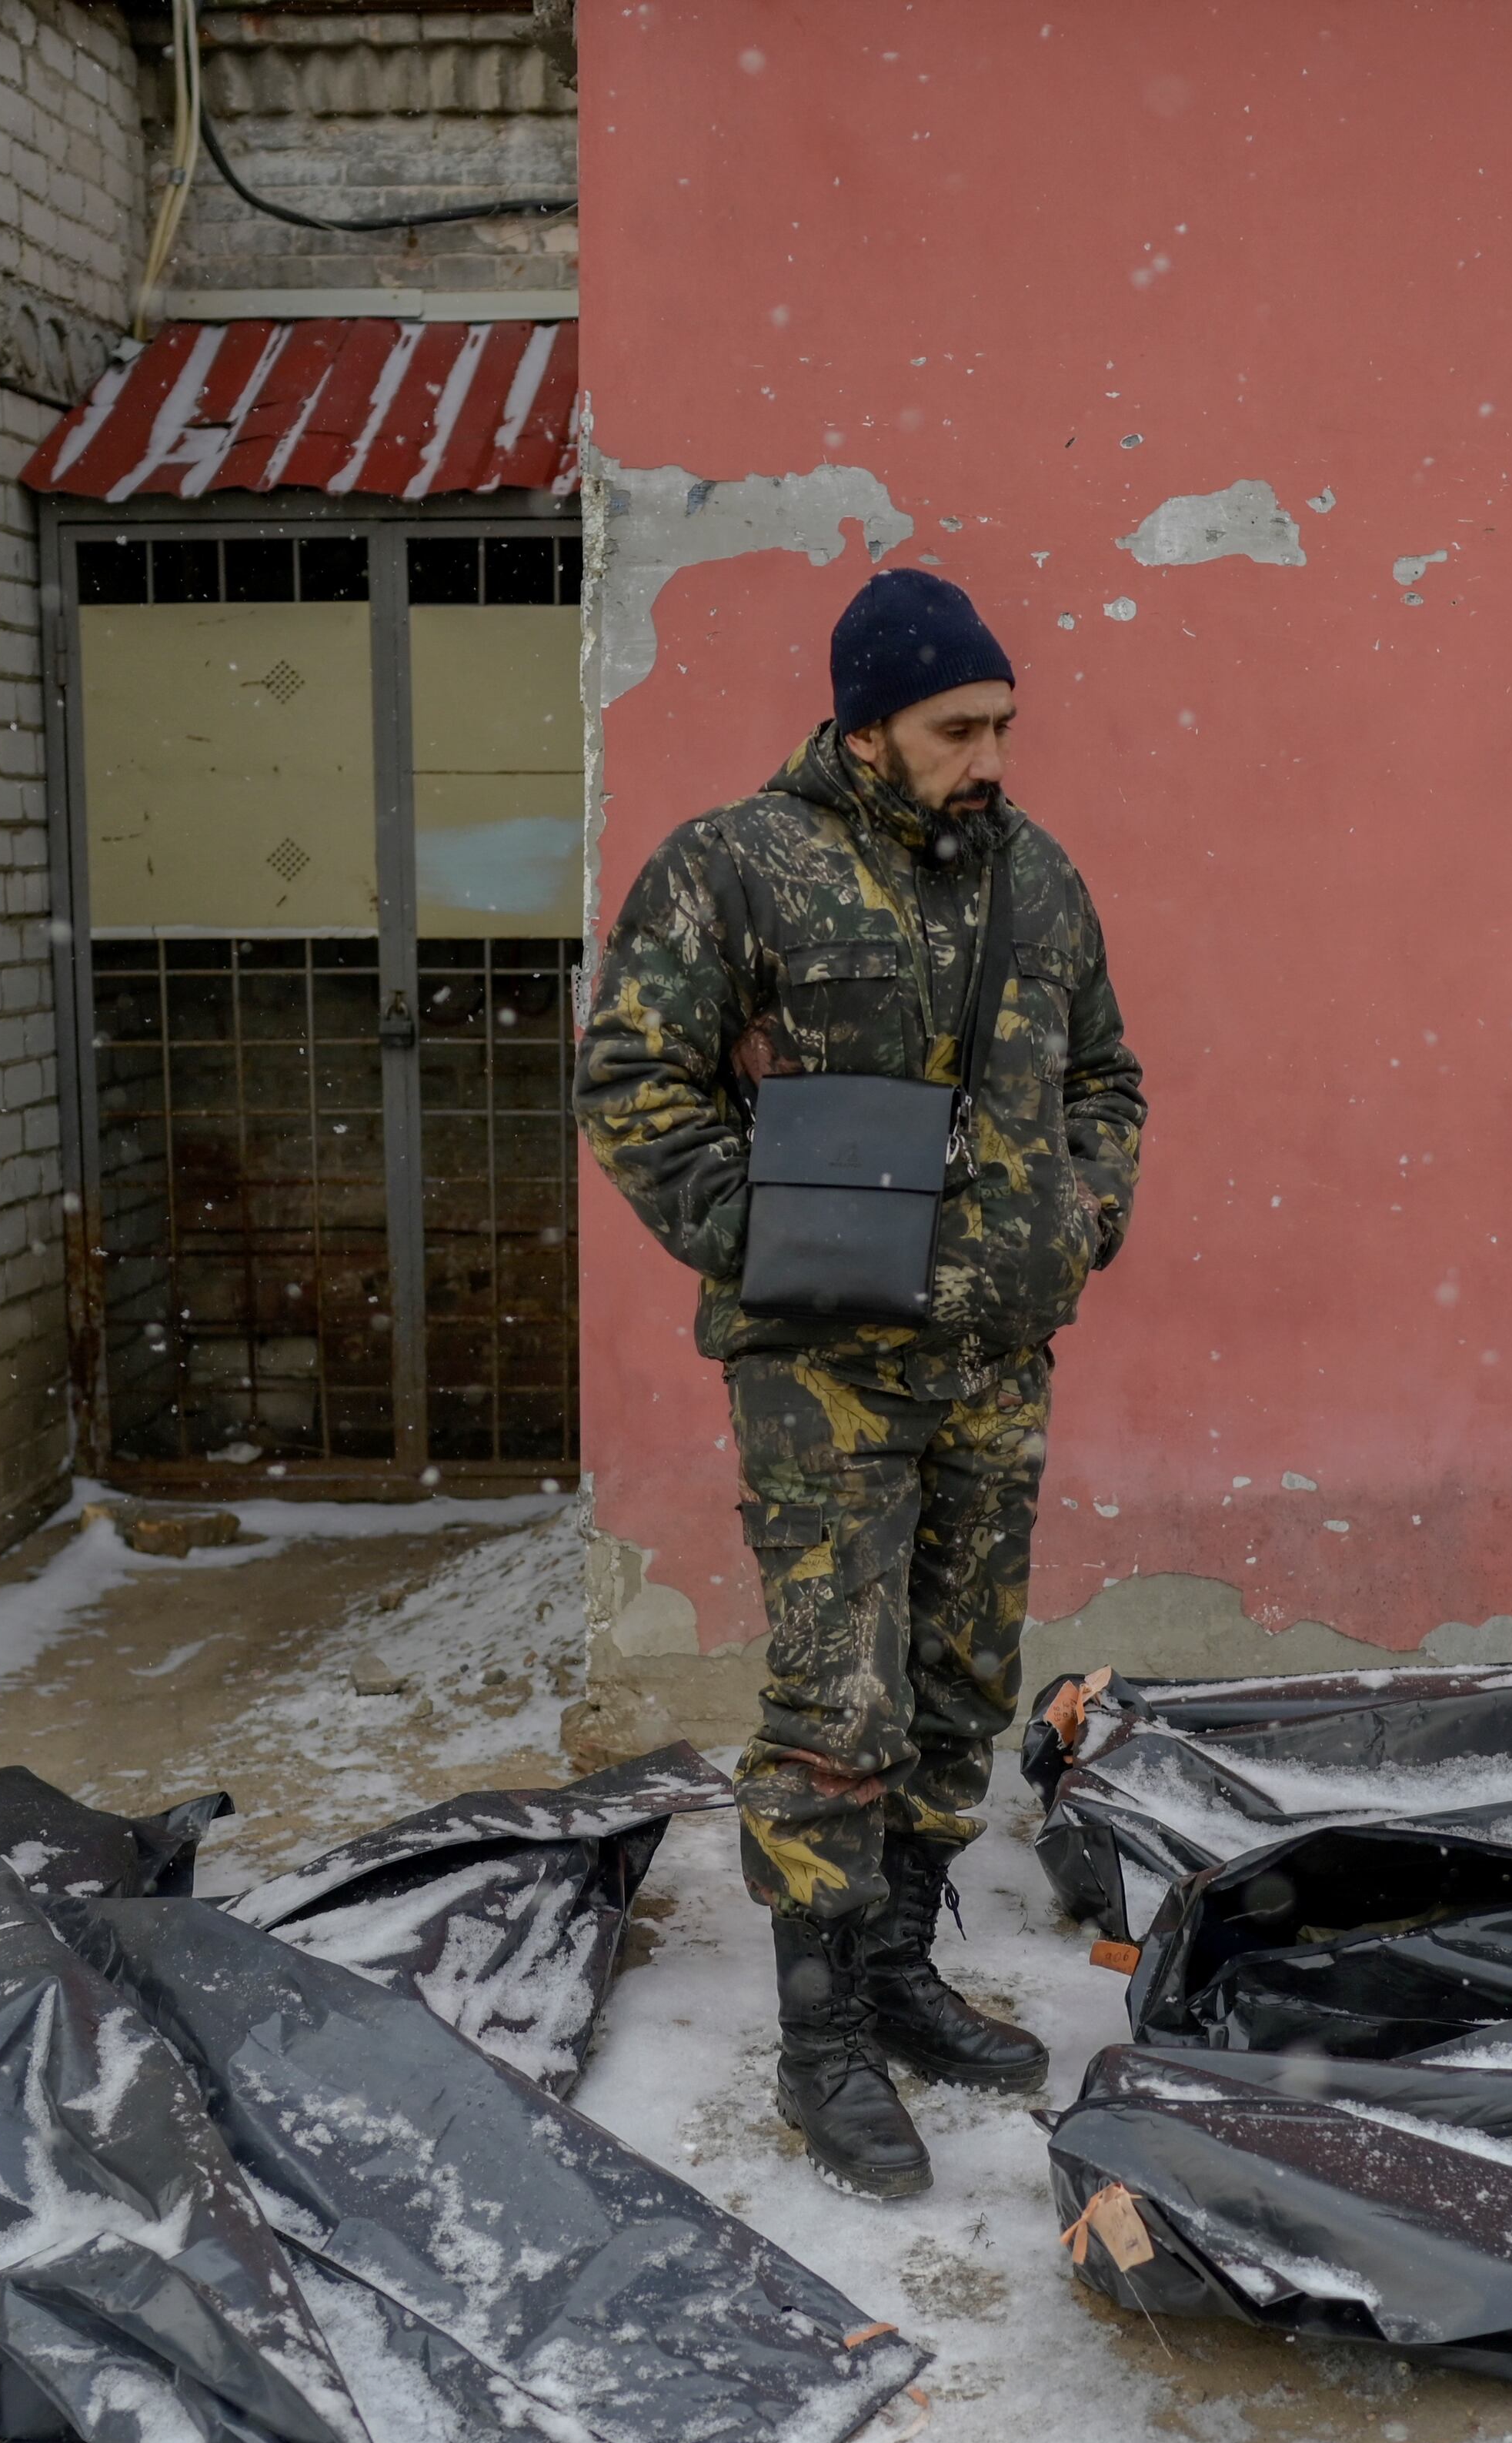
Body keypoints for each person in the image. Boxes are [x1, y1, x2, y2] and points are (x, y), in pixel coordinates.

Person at [575, 567, 1146, 2198]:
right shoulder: (736, 867)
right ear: (864, 722)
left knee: (963, 1677)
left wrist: (1087, 1206)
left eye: (1002, 726)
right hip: (822, 1366)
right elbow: (631, 1072)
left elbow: (1107, 1071)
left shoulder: (1037, 879)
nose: (988, 755)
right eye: (956, 728)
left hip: (993, 1352)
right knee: (839, 1697)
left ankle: (898, 1967)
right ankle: (819, 2038)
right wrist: (751, 1231)